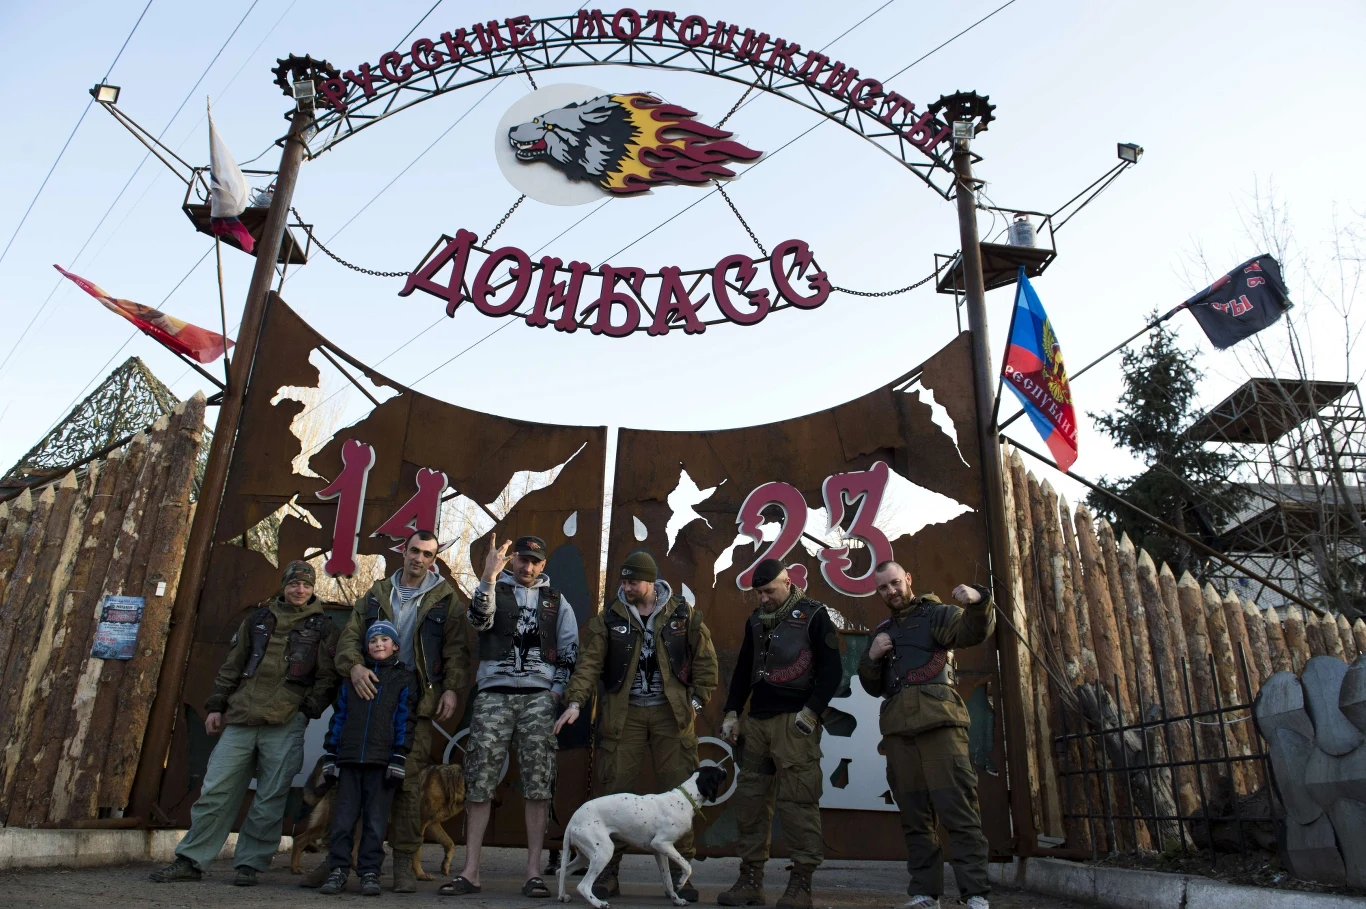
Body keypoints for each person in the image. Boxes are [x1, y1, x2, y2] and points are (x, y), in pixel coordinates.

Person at [151, 560, 338, 886]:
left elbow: (327, 678)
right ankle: (191, 861)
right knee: (215, 792)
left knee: (270, 797)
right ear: (284, 585)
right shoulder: (258, 620)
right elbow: (232, 666)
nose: (300, 590)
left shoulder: (323, 627)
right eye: (294, 584)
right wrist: (216, 706)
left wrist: (306, 711)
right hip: (241, 717)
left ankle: (250, 865)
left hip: (285, 720)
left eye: (306, 585)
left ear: (312, 589)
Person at [554, 550, 719, 902]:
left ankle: (681, 876)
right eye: (623, 581)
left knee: (683, 794)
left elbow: (706, 661)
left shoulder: (682, 614)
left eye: (632, 582)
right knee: (614, 787)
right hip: (623, 713)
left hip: (671, 714)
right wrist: (574, 702)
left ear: (650, 582)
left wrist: (696, 702)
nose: (625, 587)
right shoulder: (609, 618)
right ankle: (608, 873)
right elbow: (589, 664)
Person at [317, 529, 470, 892]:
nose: (419, 559)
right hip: (367, 694)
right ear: (404, 551)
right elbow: (351, 635)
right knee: (346, 782)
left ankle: (403, 863)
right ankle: (333, 863)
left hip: (412, 702)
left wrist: (450, 689)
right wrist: (354, 666)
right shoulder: (377, 593)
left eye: (428, 554)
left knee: (407, 782)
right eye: (414, 551)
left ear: (435, 559)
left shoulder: (444, 599)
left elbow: (456, 650)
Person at [439, 534, 579, 899]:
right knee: (479, 780)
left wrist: (556, 691)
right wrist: (487, 576)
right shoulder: (493, 590)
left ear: (543, 565)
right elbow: (478, 621)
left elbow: (569, 649)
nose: (527, 567)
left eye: (534, 561)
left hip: (537, 698)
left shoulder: (556, 601)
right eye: (521, 560)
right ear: (512, 560)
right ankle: (470, 871)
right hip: (494, 695)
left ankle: (533, 872)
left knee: (538, 783)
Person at [858, 561, 994, 909]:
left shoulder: (938, 615)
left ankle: (975, 894)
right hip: (900, 733)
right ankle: (925, 893)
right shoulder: (881, 630)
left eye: (894, 583)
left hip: (940, 725)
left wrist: (979, 601)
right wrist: (872, 658)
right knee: (915, 817)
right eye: (883, 588)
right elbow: (872, 685)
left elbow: (972, 632)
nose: (890, 591)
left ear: (908, 580)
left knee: (959, 811)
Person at [716, 559, 842, 909]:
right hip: (757, 722)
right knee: (751, 800)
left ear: (788, 582)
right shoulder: (755, 620)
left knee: (798, 803)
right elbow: (743, 668)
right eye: (758, 592)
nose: (763, 598)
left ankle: (801, 885)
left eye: (769, 590)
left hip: (795, 722)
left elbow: (833, 670)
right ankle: (750, 881)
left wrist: (812, 711)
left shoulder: (814, 615)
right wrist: (731, 711)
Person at [318, 621, 418, 896]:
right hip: (349, 760)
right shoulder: (352, 679)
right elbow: (339, 717)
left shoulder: (404, 678)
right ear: (366, 646)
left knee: (375, 822)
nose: (378, 644)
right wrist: (331, 754)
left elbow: (405, 720)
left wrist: (399, 756)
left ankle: (370, 872)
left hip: (382, 762)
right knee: (343, 819)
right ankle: (338, 869)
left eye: (385, 640)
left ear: (396, 646)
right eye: (373, 640)